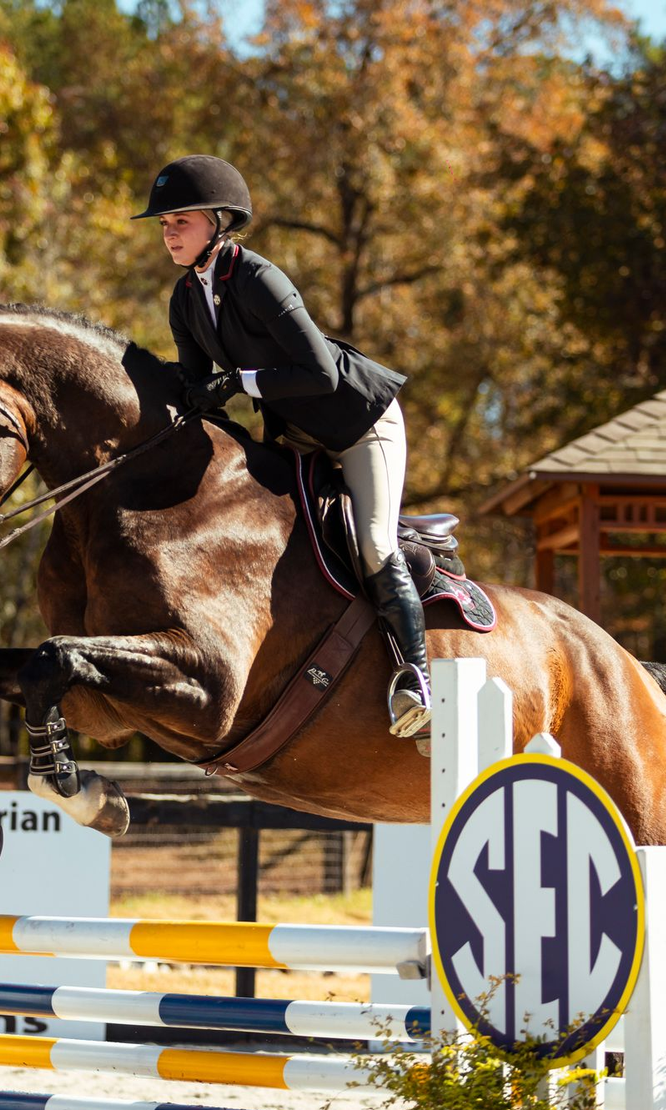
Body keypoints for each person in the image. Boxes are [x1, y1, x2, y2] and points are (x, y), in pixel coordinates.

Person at [133, 154, 431, 739]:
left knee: (371, 542)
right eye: (164, 225)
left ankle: (415, 680)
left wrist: (239, 382)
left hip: (358, 422)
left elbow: (319, 371)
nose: (169, 234)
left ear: (219, 221)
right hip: (293, 433)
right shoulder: (185, 299)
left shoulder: (259, 278)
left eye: (181, 222)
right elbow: (199, 391)